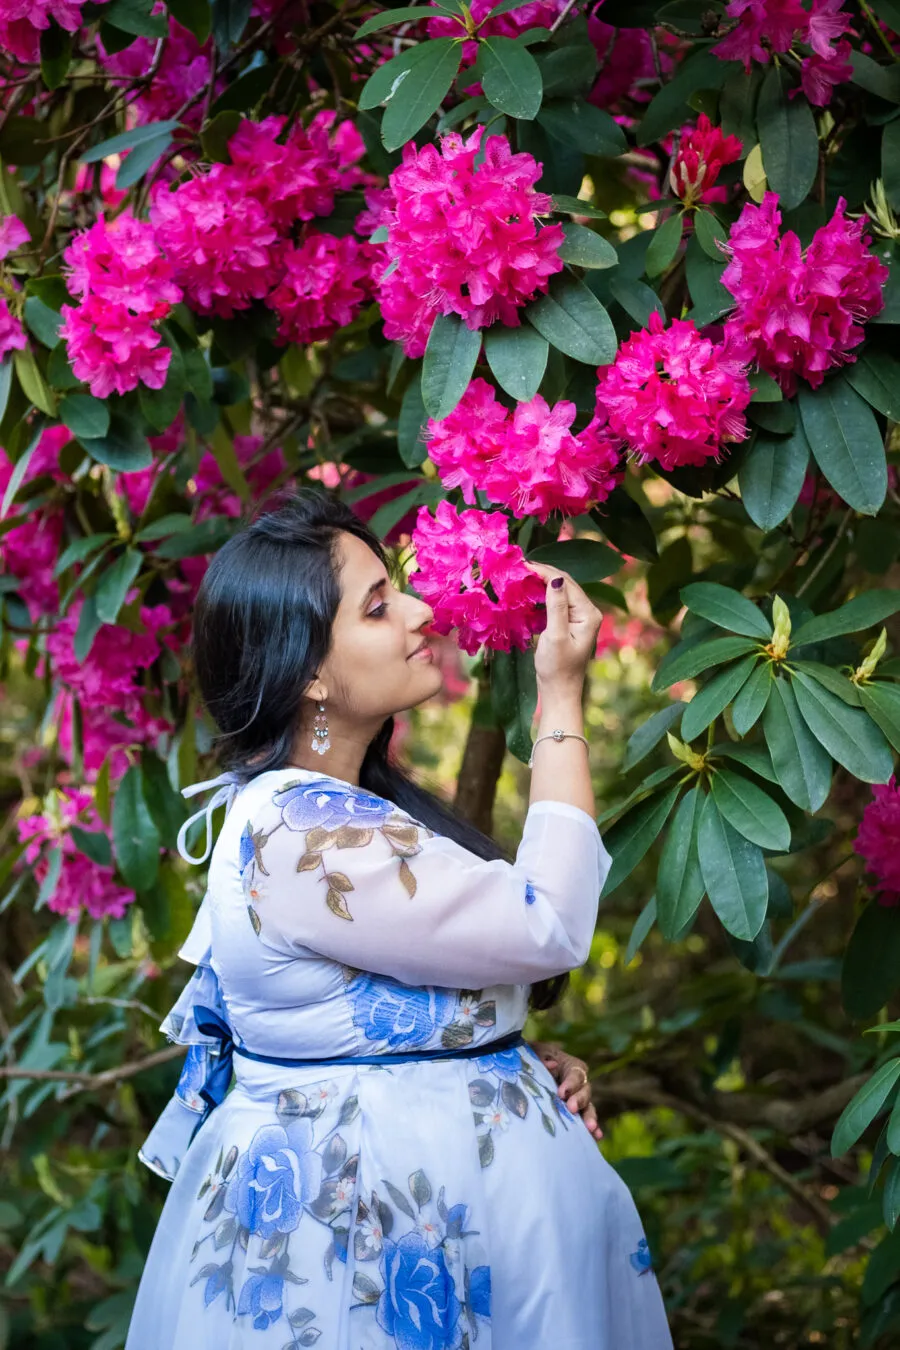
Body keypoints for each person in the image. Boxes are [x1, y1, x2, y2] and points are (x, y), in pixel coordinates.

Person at [125, 489, 672, 1350]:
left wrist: (501, 1052)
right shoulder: (306, 834)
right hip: (359, 1258)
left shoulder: (335, 811)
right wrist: (560, 701)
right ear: (308, 669)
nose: (419, 612)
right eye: (379, 605)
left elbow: (370, 1010)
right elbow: (548, 927)